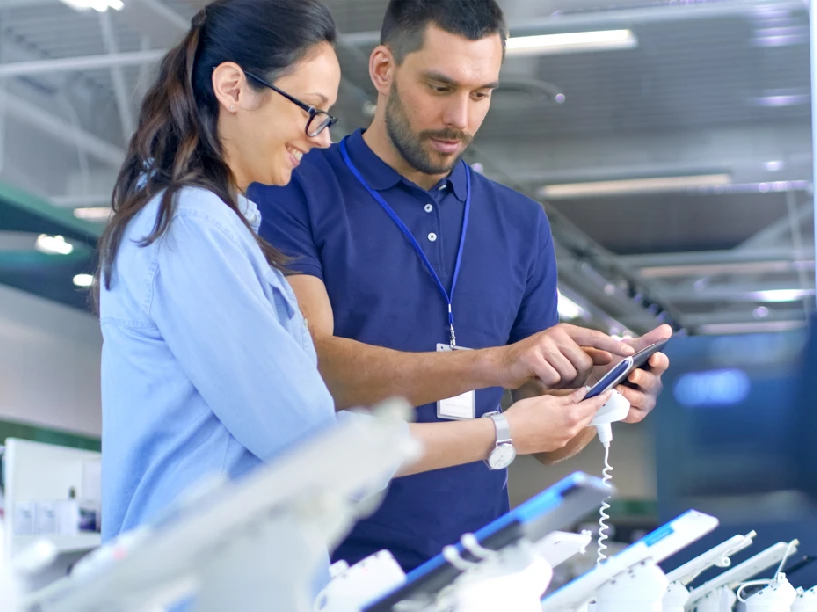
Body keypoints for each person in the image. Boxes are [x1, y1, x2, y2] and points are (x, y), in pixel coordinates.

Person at [248, 0, 672, 575]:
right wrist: (495, 364)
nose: (461, 118)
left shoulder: (520, 224)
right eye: (440, 87)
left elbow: (543, 440)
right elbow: (316, 368)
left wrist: (600, 399)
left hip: (473, 576)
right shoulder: (294, 186)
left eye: (481, 93)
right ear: (382, 69)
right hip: (327, 574)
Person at [93, 0, 350, 540]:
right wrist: (499, 432)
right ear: (233, 88)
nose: (322, 136)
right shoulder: (191, 228)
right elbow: (305, 435)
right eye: (311, 108)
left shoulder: (215, 227)